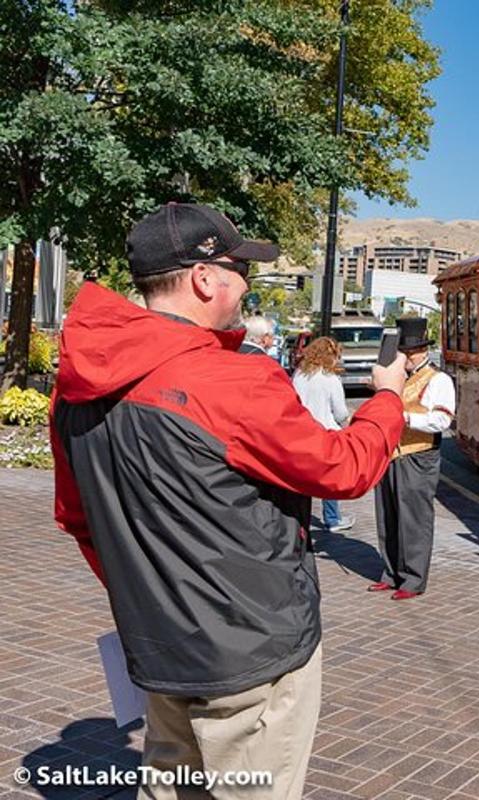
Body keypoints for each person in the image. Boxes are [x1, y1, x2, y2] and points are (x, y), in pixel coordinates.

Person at [50, 202, 409, 800]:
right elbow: (344, 468)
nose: (247, 284)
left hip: (159, 645)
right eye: (240, 270)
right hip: (251, 650)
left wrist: (151, 596)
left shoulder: (76, 389)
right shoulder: (231, 380)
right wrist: (388, 401)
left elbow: (79, 518)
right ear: (203, 278)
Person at [370, 316, 456, 600]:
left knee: (414, 519)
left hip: (418, 456)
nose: (403, 357)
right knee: (388, 515)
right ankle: (391, 572)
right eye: (402, 352)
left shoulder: (438, 379)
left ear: (421, 351)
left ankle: (413, 578)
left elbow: (442, 420)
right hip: (391, 452)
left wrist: (404, 417)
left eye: (408, 352)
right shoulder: (399, 377)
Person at [293, 336, 355, 532]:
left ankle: (298, 516)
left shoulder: (299, 376)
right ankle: (333, 518)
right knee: (329, 477)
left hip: (301, 432)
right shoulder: (330, 379)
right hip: (325, 432)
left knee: (302, 478)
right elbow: (340, 412)